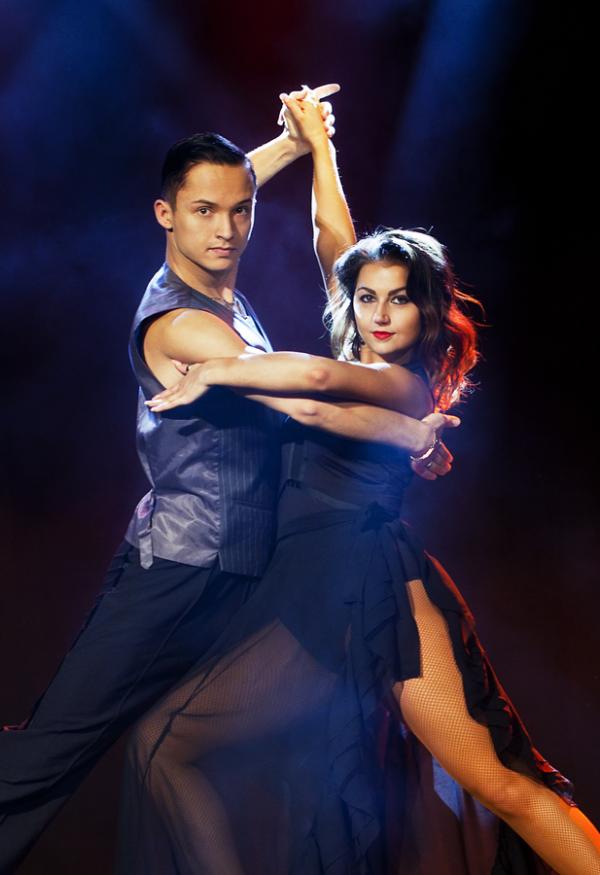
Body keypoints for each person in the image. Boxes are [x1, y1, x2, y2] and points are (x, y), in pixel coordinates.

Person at [116, 92, 600, 874]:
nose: (377, 313)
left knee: (498, 784)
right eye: (366, 298)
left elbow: (310, 388)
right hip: (313, 592)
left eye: (398, 299)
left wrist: (221, 371)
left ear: (426, 314)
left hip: (374, 591)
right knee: (161, 742)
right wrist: (318, 146)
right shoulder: (361, 351)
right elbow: (334, 241)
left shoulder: (403, 385)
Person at [0, 86, 453, 873]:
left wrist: (300, 144)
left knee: (171, 748)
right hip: (181, 568)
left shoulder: (225, 288)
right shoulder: (183, 322)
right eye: (203, 213)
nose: (227, 228)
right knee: (55, 747)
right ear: (164, 215)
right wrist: (407, 431)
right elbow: (306, 399)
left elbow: (265, 212)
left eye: (239, 212)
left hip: (243, 572)